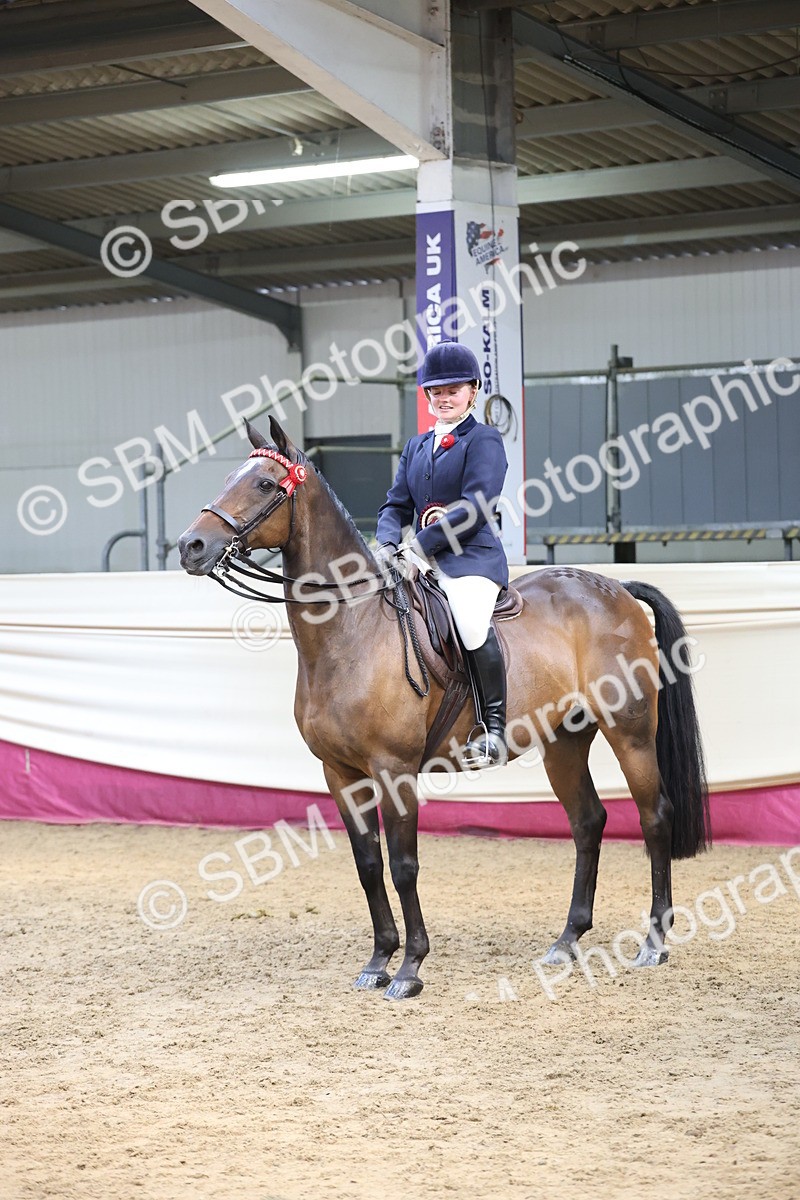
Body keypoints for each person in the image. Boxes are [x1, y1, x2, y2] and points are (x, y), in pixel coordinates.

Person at [375, 341, 510, 767]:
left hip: (471, 560)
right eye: (436, 391)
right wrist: (387, 544)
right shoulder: (416, 447)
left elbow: (476, 506)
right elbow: (395, 504)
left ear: (473, 390)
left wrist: (418, 547)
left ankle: (493, 730)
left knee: (470, 623)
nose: (444, 398)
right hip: (418, 561)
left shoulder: (484, 439)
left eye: (453, 390)